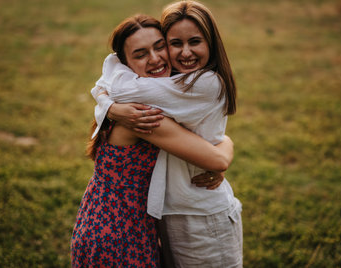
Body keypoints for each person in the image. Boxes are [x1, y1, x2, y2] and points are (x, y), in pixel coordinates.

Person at [70, 14, 234, 268]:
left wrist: (107, 104)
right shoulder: (143, 114)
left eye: (160, 46)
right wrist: (221, 153)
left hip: (111, 223)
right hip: (117, 235)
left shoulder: (144, 101)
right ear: (125, 65)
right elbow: (218, 159)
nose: (156, 58)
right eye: (141, 54)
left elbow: (200, 142)